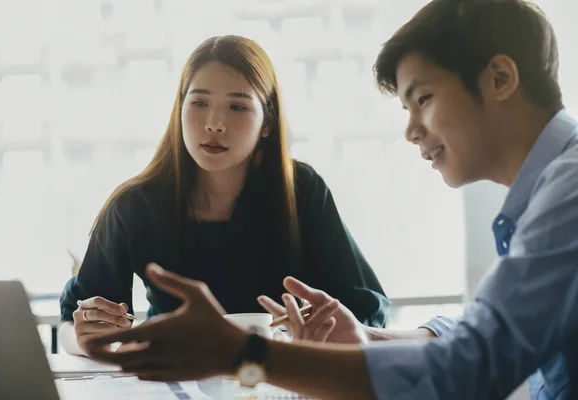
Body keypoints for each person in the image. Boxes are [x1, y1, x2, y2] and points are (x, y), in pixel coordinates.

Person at [84, 1, 578, 399]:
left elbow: (471, 368)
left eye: (422, 99)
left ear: (499, 78)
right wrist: (369, 340)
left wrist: (241, 356)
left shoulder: (569, 194)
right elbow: (478, 331)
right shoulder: (552, 190)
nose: (410, 131)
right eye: (200, 102)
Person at [58, 35, 390, 356]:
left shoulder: (300, 189)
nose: (215, 123)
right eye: (199, 103)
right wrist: (87, 336)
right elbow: (74, 322)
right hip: (172, 379)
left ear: (267, 121)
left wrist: (328, 333)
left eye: (237, 106)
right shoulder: (134, 206)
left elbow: (365, 308)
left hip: (279, 374)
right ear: (179, 109)